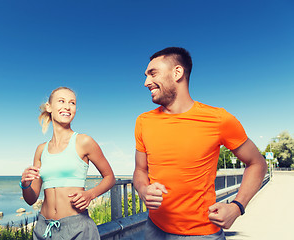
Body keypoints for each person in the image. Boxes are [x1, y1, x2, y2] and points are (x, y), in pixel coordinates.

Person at [133, 47, 267, 240]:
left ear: (177, 72)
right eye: (146, 75)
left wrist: (237, 207)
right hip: (154, 229)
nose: (146, 82)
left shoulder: (219, 119)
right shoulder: (143, 121)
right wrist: (143, 189)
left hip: (202, 234)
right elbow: (139, 170)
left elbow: (257, 163)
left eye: (153, 73)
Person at [20, 87, 115, 239]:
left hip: (77, 227)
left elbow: (110, 177)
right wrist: (25, 184)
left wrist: (90, 194)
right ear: (49, 107)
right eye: (61, 101)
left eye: (72, 103)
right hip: (44, 229)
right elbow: (31, 199)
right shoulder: (41, 150)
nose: (67, 107)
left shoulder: (84, 141)